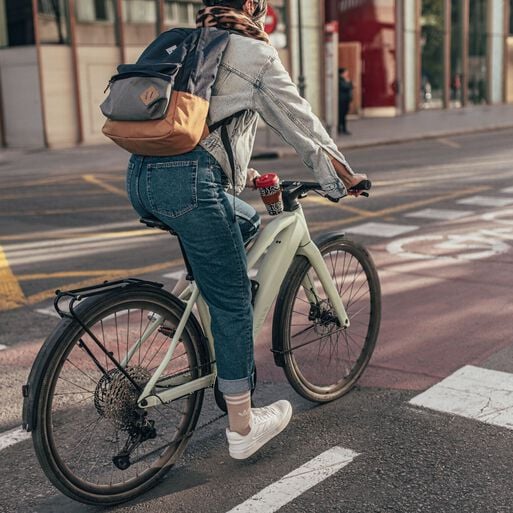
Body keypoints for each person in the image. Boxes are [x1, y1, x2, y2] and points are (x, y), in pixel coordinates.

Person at [126, 0, 368, 461]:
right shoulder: (251, 52)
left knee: (248, 220)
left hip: (141, 176)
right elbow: (301, 122)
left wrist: (236, 169)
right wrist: (342, 176)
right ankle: (242, 426)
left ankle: (184, 300)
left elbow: (190, 125)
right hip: (190, 186)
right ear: (253, 6)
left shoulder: (182, 40)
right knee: (234, 301)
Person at [338, 67, 353, 135]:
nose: (347, 74)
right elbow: (345, 87)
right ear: (342, 73)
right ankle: (341, 129)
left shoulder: (344, 80)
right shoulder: (340, 80)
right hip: (342, 100)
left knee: (344, 115)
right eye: (346, 72)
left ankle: (342, 129)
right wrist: (350, 83)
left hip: (345, 100)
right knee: (341, 115)